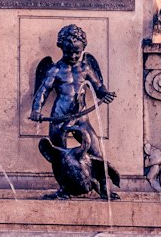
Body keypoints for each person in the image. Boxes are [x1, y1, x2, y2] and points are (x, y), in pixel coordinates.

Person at [27, 25, 119, 199]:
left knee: (97, 152)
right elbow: (43, 91)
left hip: (81, 118)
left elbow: (98, 86)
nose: (74, 56)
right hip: (59, 118)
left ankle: (104, 188)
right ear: (61, 47)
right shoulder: (55, 70)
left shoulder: (85, 68)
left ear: (83, 48)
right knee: (58, 155)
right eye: (69, 53)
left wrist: (105, 94)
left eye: (77, 52)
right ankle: (63, 189)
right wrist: (36, 110)